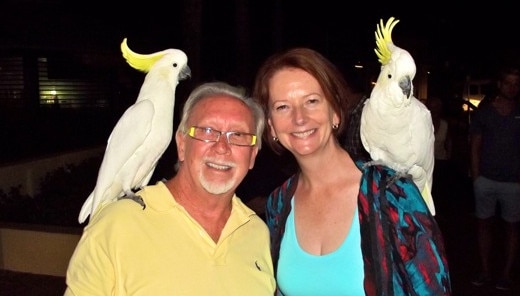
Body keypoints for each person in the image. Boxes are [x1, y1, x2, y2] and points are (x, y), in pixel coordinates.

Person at [252, 47, 451, 295]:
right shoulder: (278, 204)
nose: (299, 118)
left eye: (312, 101)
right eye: (282, 107)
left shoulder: (393, 196)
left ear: (335, 111)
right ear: (270, 125)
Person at [64, 82, 276, 295]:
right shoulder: (117, 224)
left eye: (238, 135)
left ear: (252, 156)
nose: (222, 147)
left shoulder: (257, 234)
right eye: (208, 131)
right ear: (182, 145)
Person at [469, 66, 520, 291]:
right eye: (508, 82)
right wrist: (476, 177)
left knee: (512, 228)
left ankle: (506, 274)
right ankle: (485, 271)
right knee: (484, 225)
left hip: (513, 182)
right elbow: (475, 145)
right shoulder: (485, 112)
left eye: (516, 83)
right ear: (500, 84)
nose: (512, 87)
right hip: (486, 180)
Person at [426, 96, 453, 210]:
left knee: (440, 189)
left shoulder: (445, 124)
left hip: (441, 160)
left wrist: (449, 155)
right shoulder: (424, 123)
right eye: (432, 108)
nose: (434, 111)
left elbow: (448, 140)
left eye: (437, 108)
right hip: (426, 162)